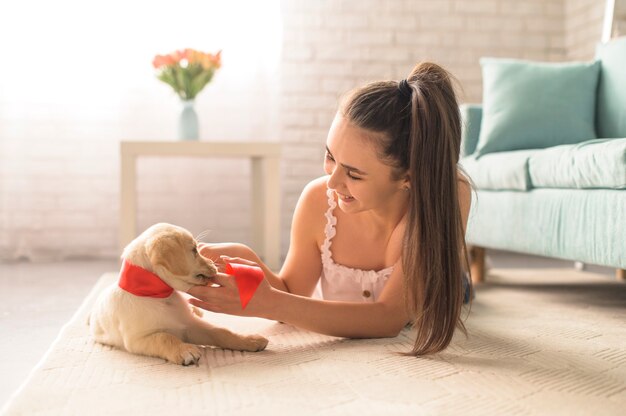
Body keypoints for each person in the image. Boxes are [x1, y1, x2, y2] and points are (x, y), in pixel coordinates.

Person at [188, 62, 472, 356]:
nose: (332, 181)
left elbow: (389, 318)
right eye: (329, 156)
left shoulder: (447, 195)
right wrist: (246, 261)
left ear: (407, 177)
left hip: (447, 284)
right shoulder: (318, 201)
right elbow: (292, 297)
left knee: (458, 289)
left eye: (354, 174)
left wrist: (267, 302)